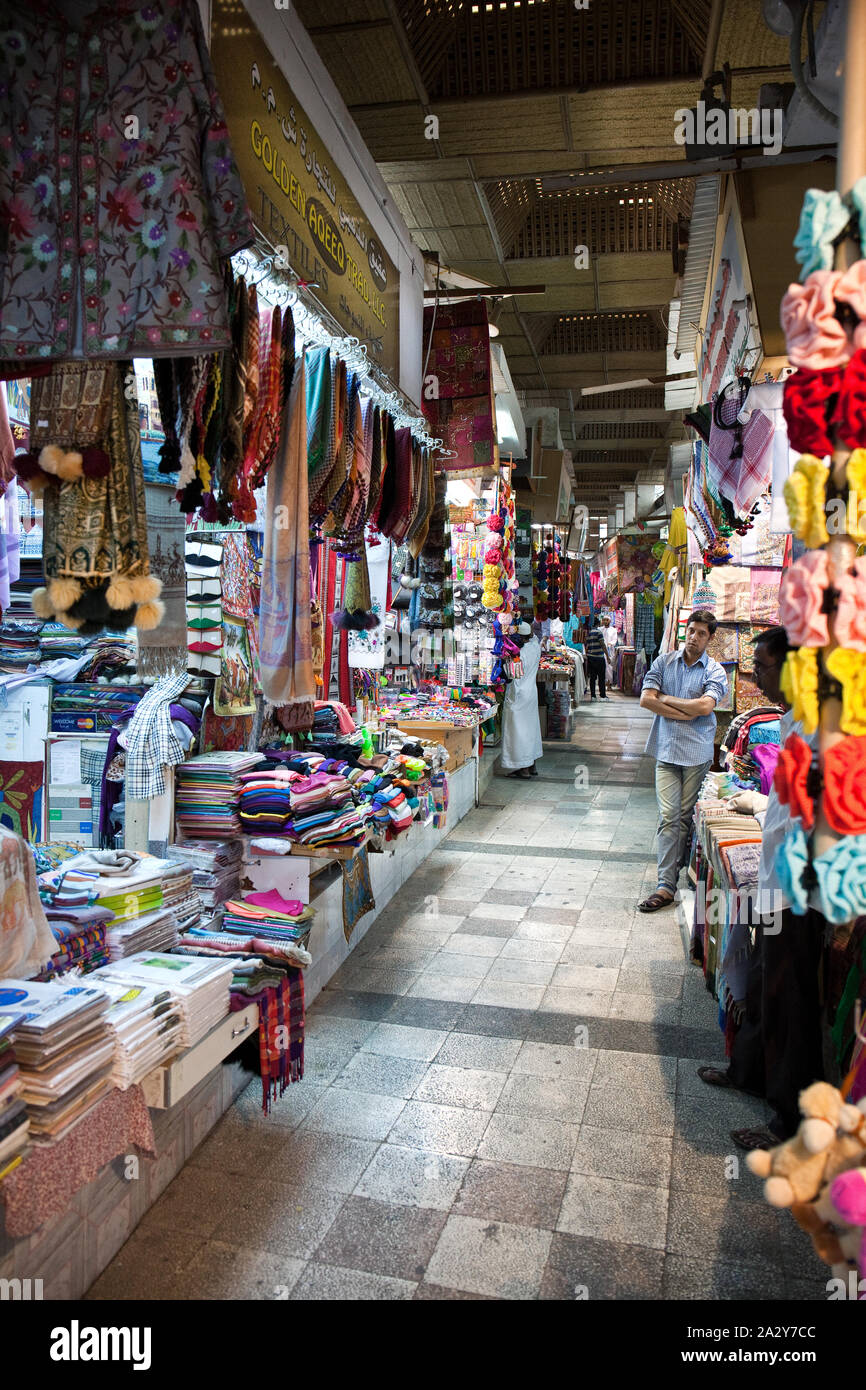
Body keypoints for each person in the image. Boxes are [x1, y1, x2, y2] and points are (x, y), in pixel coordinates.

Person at [694, 626, 824, 1151]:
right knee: (764, 984)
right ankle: (748, 1070)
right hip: (776, 881)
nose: (758, 676)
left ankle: (789, 1123)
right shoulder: (794, 719)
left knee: (791, 1001)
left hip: (799, 890)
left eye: (765, 667)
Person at [637, 608, 728, 912]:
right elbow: (645, 699)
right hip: (666, 751)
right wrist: (682, 711)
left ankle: (683, 878)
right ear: (684, 631)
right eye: (691, 630)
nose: (694, 637)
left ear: (710, 638)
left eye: (701, 633)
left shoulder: (714, 671)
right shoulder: (664, 662)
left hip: (696, 754)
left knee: (686, 818)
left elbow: (705, 707)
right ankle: (665, 885)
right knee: (668, 817)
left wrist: (666, 700)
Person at [500, 620, 543, 779]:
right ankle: (531, 765)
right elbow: (534, 639)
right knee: (530, 729)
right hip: (530, 693)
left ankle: (523, 768)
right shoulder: (535, 647)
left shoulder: (519, 654)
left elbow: (510, 673)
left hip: (518, 695)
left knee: (517, 732)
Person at [584, 618, 608, 700]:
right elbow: (603, 645)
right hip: (599, 658)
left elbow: (587, 645)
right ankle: (602, 695)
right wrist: (607, 656)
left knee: (592, 678)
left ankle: (593, 696)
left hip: (591, 658)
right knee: (601, 677)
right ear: (598, 624)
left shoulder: (588, 633)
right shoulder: (599, 632)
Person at [601, 615, 619, 687]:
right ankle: (603, 682)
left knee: (609, 666)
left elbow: (614, 640)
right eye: (604, 620)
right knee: (602, 667)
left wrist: (610, 644)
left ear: (610, 621)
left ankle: (609, 683)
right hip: (601, 650)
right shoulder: (600, 629)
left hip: (609, 650)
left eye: (607, 620)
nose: (605, 621)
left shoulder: (613, 630)